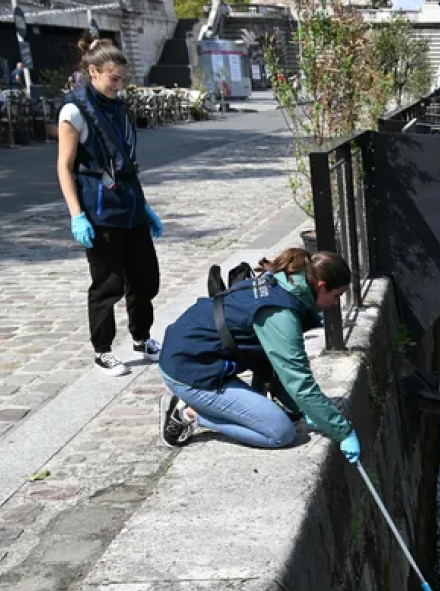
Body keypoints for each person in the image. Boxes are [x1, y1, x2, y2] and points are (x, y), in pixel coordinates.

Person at [156, 248, 361, 464]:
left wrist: (301, 408)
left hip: (198, 355)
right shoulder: (280, 314)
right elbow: (300, 382)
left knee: (278, 414)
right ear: (321, 286)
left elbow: (274, 363)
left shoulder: (281, 283)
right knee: (280, 432)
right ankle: (189, 412)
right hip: (190, 371)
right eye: (336, 296)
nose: (336, 303)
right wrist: (343, 432)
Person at [55, 36, 163, 377]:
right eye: (113, 79)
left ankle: (141, 338)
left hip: (129, 206)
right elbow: (64, 166)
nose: (119, 86)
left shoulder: (118, 107)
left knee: (145, 279)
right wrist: (76, 215)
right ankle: (102, 349)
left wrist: (143, 206)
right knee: (108, 284)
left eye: (122, 80)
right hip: (99, 211)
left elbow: (127, 162)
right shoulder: (74, 111)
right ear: (93, 71)